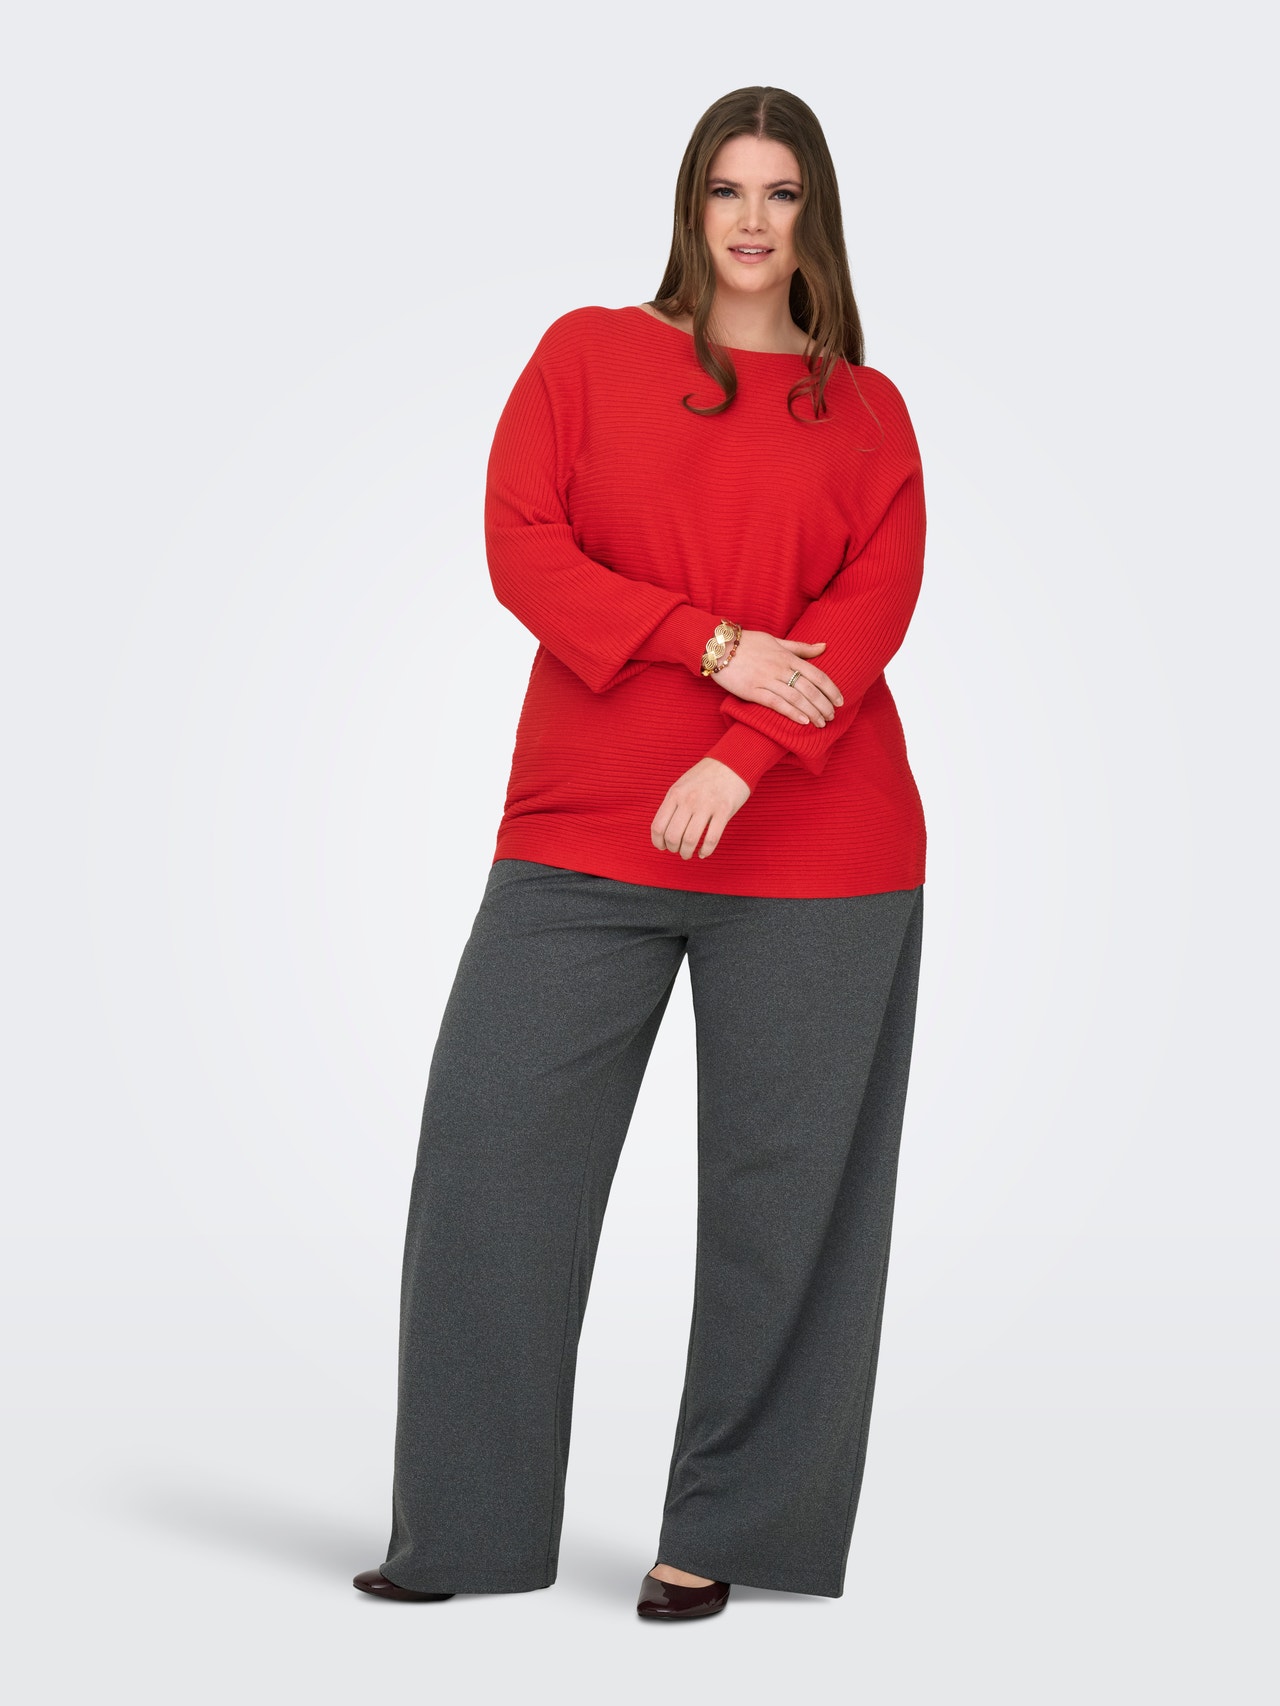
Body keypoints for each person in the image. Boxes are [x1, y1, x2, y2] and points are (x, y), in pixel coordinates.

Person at [353, 83, 928, 1622]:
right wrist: (713, 646)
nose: (753, 219)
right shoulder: (589, 355)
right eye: (729, 188)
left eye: (782, 192)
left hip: (821, 847)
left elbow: (867, 618)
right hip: (585, 830)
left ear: (815, 216)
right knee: (493, 1168)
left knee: (789, 1206)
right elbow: (523, 546)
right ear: (690, 204)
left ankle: (722, 1530)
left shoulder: (867, 414)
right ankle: (462, 1530)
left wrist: (741, 756)